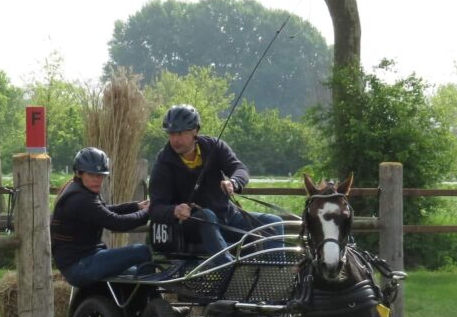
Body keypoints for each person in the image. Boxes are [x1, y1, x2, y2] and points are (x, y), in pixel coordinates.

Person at [148, 104, 283, 263]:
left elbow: (239, 168)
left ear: (195, 131)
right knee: (207, 214)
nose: (175, 140)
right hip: (191, 226)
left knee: (273, 222)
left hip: (226, 217)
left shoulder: (214, 146)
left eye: (180, 133)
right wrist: (174, 210)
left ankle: (275, 272)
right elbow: (155, 208)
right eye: (171, 134)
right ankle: (228, 269)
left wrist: (234, 182)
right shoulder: (163, 162)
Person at [50, 147, 152, 287]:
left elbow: (104, 211)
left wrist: (136, 207)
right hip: (79, 265)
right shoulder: (80, 199)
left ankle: (138, 304)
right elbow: (116, 223)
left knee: (135, 272)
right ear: (79, 173)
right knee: (142, 251)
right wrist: (148, 213)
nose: (97, 180)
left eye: (101, 175)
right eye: (92, 175)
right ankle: (149, 303)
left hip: (86, 259)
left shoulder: (80, 189)